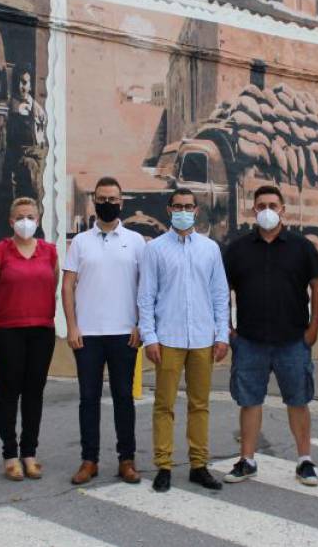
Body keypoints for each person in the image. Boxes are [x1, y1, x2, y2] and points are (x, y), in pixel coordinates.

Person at [221, 185, 318, 486]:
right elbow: (221, 289)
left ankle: (305, 460)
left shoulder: (302, 247)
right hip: (249, 340)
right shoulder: (238, 249)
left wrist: (314, 329)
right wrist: (227, 329)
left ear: (283, 210)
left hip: (293, 340)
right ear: (253, 210)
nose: (267, 210)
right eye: (261, 205)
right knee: (249, 401)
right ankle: (247, 460)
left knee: (298, 400)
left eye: (272, 205)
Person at [137, 188, 229, 493]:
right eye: (178, 206)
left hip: (203, 338)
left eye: (189, 206)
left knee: (199, 404)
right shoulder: (155, 249)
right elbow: (146, 296)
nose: (183, 211)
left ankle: (199, 465)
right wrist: (150, 337)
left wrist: (222, 334)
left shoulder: (210, 249)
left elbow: (220, 295)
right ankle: (163, 465)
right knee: (164, 405)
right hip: (168, 338)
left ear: (197, 210)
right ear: (169, 210)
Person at [62, 176, 146, 486]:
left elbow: (146, 287)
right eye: (102, 199)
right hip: (88, 335)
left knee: (124, 398)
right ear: (94, 201)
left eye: (112, 199)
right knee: (89, 399)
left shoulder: (136, 241)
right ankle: (89, 460)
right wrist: (72, 326)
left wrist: (141, 324)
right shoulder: (81, 242)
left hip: (125, 333)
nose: (107, 204)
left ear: (121, 202)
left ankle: (127, 460)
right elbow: (67, 286)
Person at [0, 197, 58, 482]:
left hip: (41, 331)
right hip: (7, 331)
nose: (25, 221)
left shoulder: (49, 252)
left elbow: (51, 285)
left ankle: (29, 452)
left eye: (30, 216)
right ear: (11, 221)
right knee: (9, 392)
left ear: (38, 220)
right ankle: (10, 454)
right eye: (19, 217)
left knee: (34, 392)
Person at [5, 66, 47, 204]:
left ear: (30, 85)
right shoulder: (11, 104)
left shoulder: (37, 109)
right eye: (17, 82)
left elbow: (40, 140)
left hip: (33, 156)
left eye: (24, 82)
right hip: (15, 156)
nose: (20, 87)